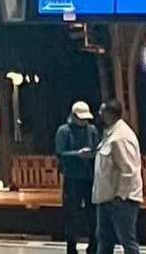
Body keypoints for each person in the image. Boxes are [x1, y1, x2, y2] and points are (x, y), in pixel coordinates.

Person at [92, 101, 143, 254]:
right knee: (104, 240)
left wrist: (120, 197)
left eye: (101, 113)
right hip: (106, 199)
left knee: (127, 240)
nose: (98, 116)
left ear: (109, 114)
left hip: (121, 200)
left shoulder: (120, 137)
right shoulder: (110, 134)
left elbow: (128, 170)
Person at [55, 100, 97, 254]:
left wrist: (91, 154)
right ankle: (71, 246)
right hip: (72, 178)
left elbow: (97, 147)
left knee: (92, 213)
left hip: (89, 177)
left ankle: (93, 244)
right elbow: (60, 153)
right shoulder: (63, 131)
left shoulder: (91, 130)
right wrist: (77, 155)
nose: (84, 121)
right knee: (71, 214)